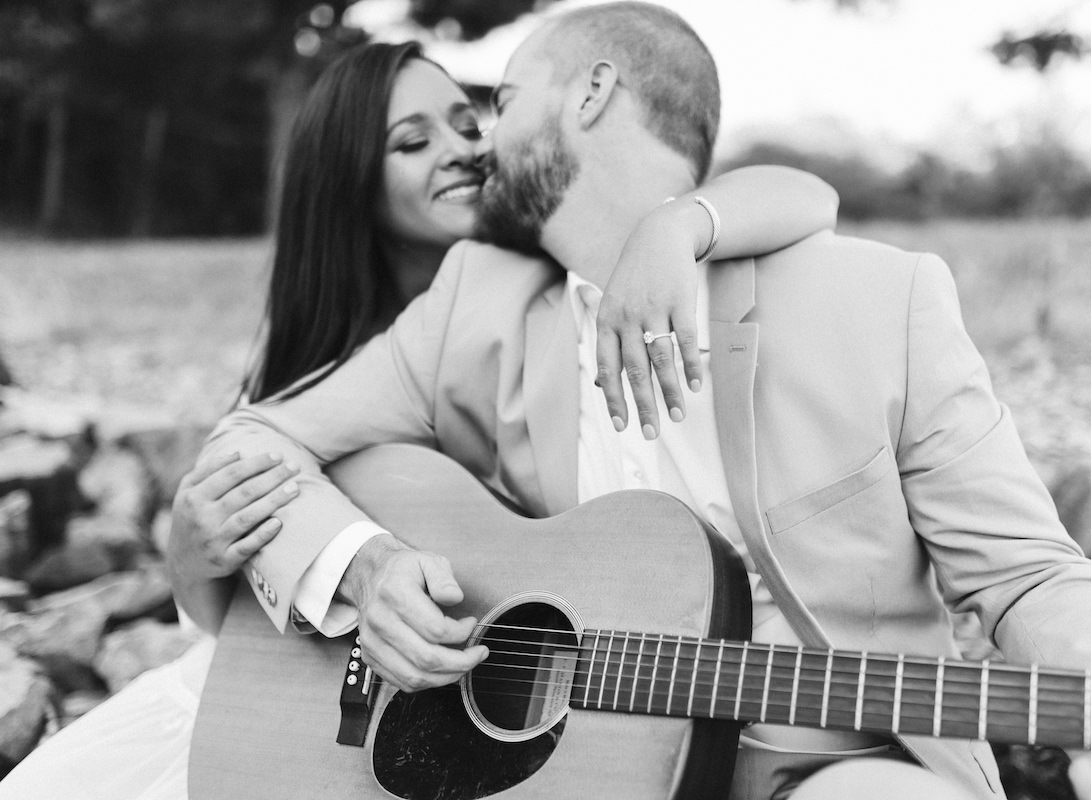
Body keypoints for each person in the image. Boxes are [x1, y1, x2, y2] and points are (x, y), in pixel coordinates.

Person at [182, 5, 1091, 800]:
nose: (483, 142)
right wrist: (367, 572)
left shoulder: (874, 298)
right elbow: (257, 441)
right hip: (580, 771)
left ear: (590, 93)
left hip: (828, 762)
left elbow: (1025, 571)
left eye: (508, 98)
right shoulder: (475, 306)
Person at [0, 40, 838, 800]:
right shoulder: (349, 358)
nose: (465, 151)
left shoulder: (547, 275)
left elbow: (801, 191)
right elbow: (243, 605)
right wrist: (197, 557)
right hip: (290, 711)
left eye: (469, 122)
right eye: (413, 142)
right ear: (351, 183)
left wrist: (675, 226)